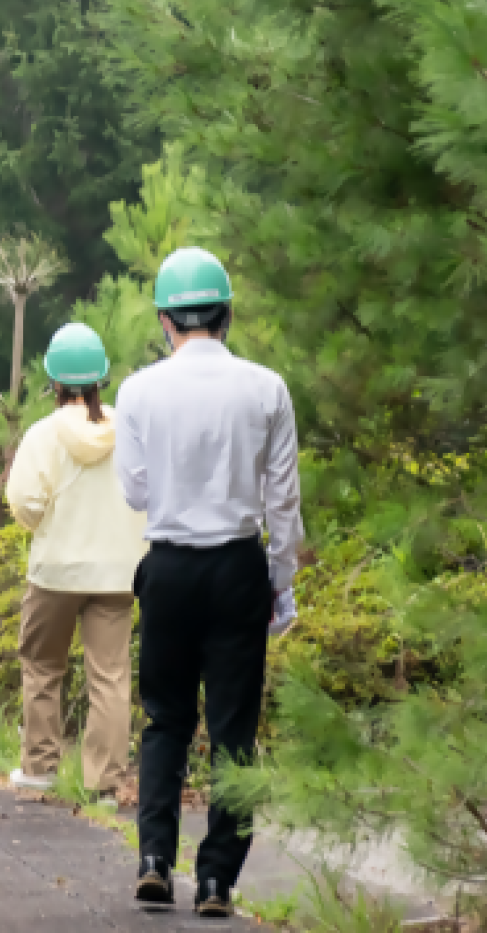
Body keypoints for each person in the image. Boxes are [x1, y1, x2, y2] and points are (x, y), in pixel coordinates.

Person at [115, 248, 304, 919]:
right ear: (226, 315)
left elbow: (136, 492)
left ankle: (153, 861)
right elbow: (283, 503)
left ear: (166, 320)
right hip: (237, 566)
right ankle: (219, 879)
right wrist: (283, 588)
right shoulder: (266, 388)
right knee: (234, 729)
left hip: (167, 567)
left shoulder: (137, 391)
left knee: (165, 718)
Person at [3, 325, 147, 798]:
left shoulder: (43, 435)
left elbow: (24, 502)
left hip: (56, 571)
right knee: (109, 677)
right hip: (118, 573)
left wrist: (48, 524)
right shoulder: (128, 429)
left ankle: (41, 767)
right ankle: (105, 785)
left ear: (54, 382)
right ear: (102, 379)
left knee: (43, 666)